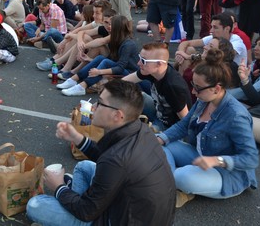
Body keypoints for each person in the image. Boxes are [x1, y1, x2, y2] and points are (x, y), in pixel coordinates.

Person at [26, 79, 176, 226]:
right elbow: (108, 156)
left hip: (119, 219)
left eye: (100, 102)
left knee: (35, 205)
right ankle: (73, 199)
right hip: (141, 211)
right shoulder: (141, 129)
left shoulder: (116, 160)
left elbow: (86, 212)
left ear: (117, 115)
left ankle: (70, 198)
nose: (94, 106)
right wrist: (76, 137)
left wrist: (58, 187)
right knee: (84, 166)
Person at [158, 49, 259, 207]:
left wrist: (217, 160)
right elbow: (183, 125)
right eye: (193, 84)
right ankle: (169, 186)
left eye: (197, 87)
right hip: (201, 155)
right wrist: (160, 138)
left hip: (226, 174)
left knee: (183, 176)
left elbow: (251, 158)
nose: (193, 91)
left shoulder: (236, 116)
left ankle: (168, 182)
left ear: (216, 88)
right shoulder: (204, 99)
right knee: (163, 144)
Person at [56, 15, 139, 97]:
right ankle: (74, 79)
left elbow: (120, 67)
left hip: (130, 75)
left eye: (112, 25)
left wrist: (99, 72)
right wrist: (90, 59)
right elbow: (112, 60)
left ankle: (82, 86)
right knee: (101, 58)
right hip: (121, 70)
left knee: (105, 61)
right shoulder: (117, 40)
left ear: (118, 28)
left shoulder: (128, 44)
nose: (109, 27)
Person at [123, 42, 191, 131]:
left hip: (168, 125)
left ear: (159, 64)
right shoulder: (151, 70)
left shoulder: (173, 86)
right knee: (134, 95)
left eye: (143, 60)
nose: (139, 63)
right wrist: (107, 91)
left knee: (139, 134)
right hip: (158, 111)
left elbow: (185, 121)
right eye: (140, 57)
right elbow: (123, 82)